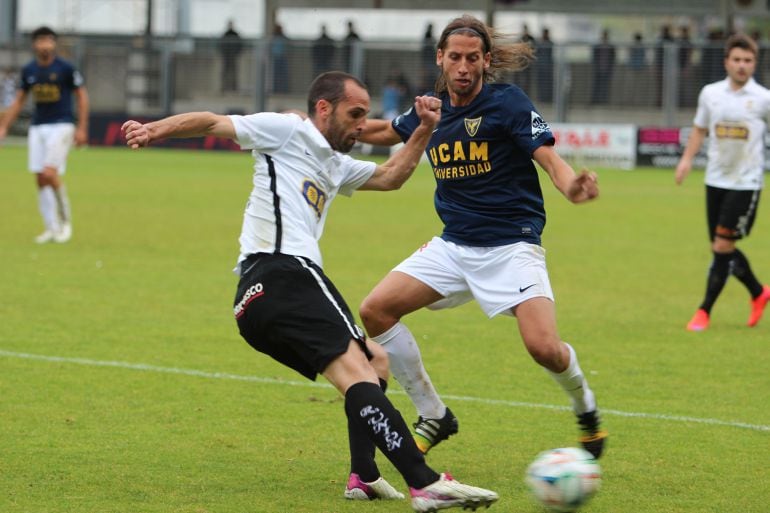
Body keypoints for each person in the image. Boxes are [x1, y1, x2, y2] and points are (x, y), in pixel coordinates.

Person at [121, 71, 498, 512]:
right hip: (285, 272)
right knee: (360, 372)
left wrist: (426, 129)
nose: (363, 125)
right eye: (355, 114)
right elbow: (210, 122)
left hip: (256, 299)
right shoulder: (288, 130)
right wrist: (153, 129)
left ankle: (365, 475)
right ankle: (424, 482)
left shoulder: (336, 165)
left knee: (374, 360)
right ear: (324, 108)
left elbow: (393, 176)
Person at [357, 15, 608, 459]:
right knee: (375, 310)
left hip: (513, 245)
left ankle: (585, 407)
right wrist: (322, 130)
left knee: (544, 348)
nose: (463, 67)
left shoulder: (507, 103)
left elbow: (549, 158)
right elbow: (383, 132)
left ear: (486, 61)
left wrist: (571, 187)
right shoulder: (431, 107)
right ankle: (433, 413)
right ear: (440, 58)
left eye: (473, 58)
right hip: (454, 246)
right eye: (454, 57)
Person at [675, 33, 770, 331]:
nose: (742, 66)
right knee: (722, 247)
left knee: (722, 244)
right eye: (737, 60)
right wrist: (687, 159)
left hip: (746, 182)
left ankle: (704, 311)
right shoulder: (710, 93)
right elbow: (700, 129)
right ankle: (759, 292)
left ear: (755, 63)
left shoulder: (764, 98)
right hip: (715, 179)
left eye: (748, 60)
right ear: (726, 62)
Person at [0, 26, 89, 244]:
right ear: (34, 44)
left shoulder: (65, 69)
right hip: (38, 126)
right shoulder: (29, 70)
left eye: (49, 40)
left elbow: (82, 96)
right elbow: (19, 100)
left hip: (62, 125)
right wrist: (3, 127)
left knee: (50, 173)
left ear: (54, 44)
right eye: (40, 40)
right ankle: (51, 227)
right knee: (40, 178)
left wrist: (82, 128)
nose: (44, 44)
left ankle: (65, 222)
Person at [591, 29, 615, 105]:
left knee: (605, 86)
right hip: (598, 69)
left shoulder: (611, 47)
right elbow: (594, 57)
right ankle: (595, 100)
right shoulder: (597, 46)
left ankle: (604, 101)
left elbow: (613, 58)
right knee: (596, 86)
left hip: (607, 69)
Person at [219, 20, 243, 93]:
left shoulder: (236, 34)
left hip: (233, 56)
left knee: (234, 72)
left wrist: (236, 53)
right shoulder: (225, 34)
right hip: (226, 56)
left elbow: (240, 45)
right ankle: (223, 87)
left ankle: (234, 87)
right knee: (225, 72)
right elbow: (221, 45)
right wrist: (224, 53)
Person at [536, 27, 554, 102]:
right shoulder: (540, 43)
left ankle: (547, 98)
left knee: (547, 84)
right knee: (541, 83)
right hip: (541, 67)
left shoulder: (549, 43)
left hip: (547, 67)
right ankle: (542, 98)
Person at [270, 23, 289, 93]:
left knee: (283, 75)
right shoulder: (273, 37)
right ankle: (276, 89)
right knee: (276, 75)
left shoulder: (283, 37)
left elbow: (288, 44)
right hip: (276, 58)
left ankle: (283, 89)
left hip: (282, 57)